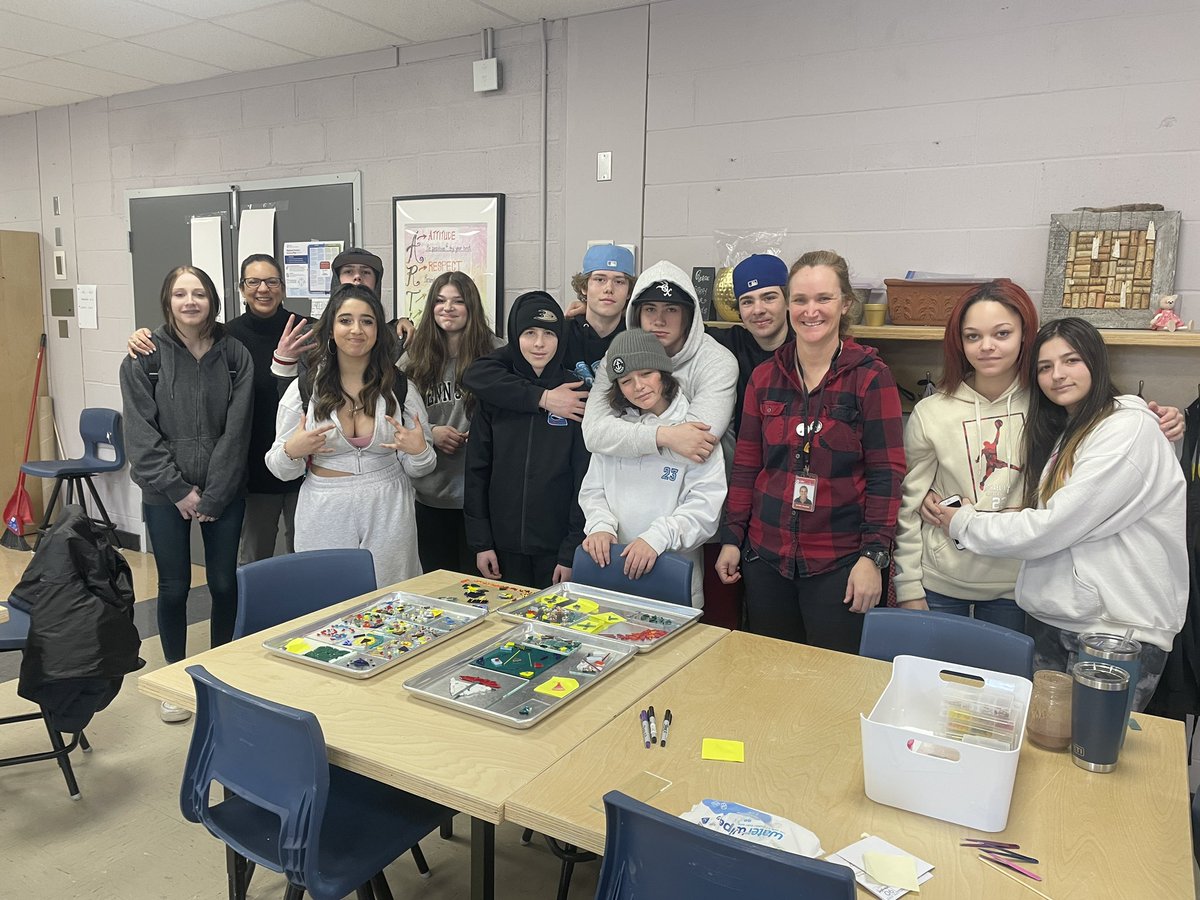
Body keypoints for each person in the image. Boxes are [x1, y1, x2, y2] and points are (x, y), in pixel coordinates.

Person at [894, 281, 1186, 631]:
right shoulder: (931, 411)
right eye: (973, 336)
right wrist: (908, 585)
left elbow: (1103, 423)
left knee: (1011, 683)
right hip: (942, 580)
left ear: (1023, 336)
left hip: (1021, 584)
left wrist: (1160, 417)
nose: (987, 346)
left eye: (1001, 333)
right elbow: (909, 504)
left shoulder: (1048, 399)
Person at [929, 317, 1187, 710]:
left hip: (1113, 632)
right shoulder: (1073, 430)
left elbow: (1056, 525)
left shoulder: (1127, 429)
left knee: (1092, 753)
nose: (1057, 375)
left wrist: (964, 522)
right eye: (1045, 367)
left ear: (1096, 362)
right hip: (1064, 619)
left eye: (1071, 361)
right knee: (1050, 751)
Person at [715, 250, 907, 654]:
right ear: (789, 305)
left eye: (824, 299)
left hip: (839, 562)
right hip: (766, 558)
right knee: (771, 674)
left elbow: (886, 474)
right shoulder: (765, 378)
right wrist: (734, 536)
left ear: (845, 304)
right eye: (801, 300)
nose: (811, 310)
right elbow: (748, 465)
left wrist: (874, 557)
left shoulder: (871, 377)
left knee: (834, 685)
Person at [119, 266, 253, 723]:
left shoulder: (235, 355)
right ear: (168, 300)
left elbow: (238, 430)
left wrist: (213, 495)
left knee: (223, 582)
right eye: (180, 293)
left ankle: (224, 674)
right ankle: (175, 681)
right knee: (173, 587)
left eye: (198, 293)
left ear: (213, 300)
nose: (190, 301)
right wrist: (178, 491)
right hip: (163, 494)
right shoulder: (143, 357)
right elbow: (141, 435)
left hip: (225, 490)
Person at [127, 254, 303, 565]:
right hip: (250, 469)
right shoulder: (227, 338)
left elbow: (359, 341)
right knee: (253, 562)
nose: (263, 288)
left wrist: (399, 324)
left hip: (300, 464)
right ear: (241, 289)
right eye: (253, 282)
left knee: (306, 557)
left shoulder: (304, 330)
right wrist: (141, 335)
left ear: (283, 287)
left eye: (271, 281)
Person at [266, 282, 434, 588]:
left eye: (367, 321)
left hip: (389, 504)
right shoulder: (305, 389)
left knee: (392, 598)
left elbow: (421, 468)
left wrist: (419, 451)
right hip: (324, 507)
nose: (356, 329)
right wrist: (293, 450)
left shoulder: (400, 387)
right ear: (330, 329)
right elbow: (279, 468)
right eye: (345, 320)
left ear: (378, 331)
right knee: (327, 600)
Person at [578, 329, 727, 608]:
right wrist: (599, 526)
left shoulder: (693, 432)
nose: (638, 387)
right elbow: (593, 490)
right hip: (610, 568)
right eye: (626, 381)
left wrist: (657, 538)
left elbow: (705, 507)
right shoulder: (616, 431)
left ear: (664, 372)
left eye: (646, 373)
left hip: (672, 575)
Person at [464, 292, 589, 589]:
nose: (539, 343)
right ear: (514, 337)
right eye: (529, 333)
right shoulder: (496, 393)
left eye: (548, 333)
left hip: (556, 552)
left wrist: (571, 552)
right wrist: (481, 543)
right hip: (502, 549)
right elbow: (476, 471)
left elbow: (585, 480)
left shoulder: (577, 393)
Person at [583, 261, 739, 466]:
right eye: (650, 309)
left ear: (689, 315)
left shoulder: (716, 362)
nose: (659, 320)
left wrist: (621, 442)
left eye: (671, 309)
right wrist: (664, 436)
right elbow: (594, 433)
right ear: (636, 314)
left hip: (698, 492)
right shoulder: (616, 357)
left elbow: (698, 447)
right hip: (630, 488)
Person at [461, 243, 637, 424]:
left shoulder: (636, 342)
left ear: (629, 291)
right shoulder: (558, 335)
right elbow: (477, 374)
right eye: (599, 279)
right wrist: (541, 397)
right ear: (584, 287)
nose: (609, 288)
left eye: (619, 281)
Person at [400, 271, 503, 573]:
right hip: (431, 494)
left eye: (458, 301)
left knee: (482, 589)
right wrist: (431, 432)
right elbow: (391, 416)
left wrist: (486, 433)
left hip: (482, 497)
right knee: (439, 588)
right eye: (441, 301)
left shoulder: (497, 353)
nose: (448, 308)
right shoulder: (413, 358)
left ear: (471, 307)